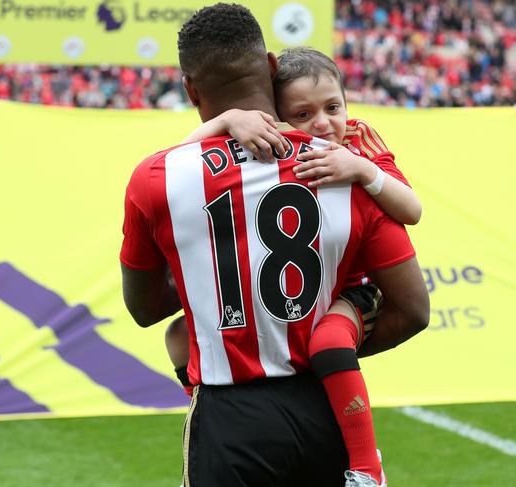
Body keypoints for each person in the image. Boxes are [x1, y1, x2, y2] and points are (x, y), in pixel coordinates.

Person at [120, 4, 429, 487]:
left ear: (190, 89)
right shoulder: (346, 166)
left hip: (230, 416)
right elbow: (413, 309)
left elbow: (143, 309)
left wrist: (219, 270)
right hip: (324, 404)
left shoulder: (158, 178)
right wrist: (319, 355)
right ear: (270, 67)